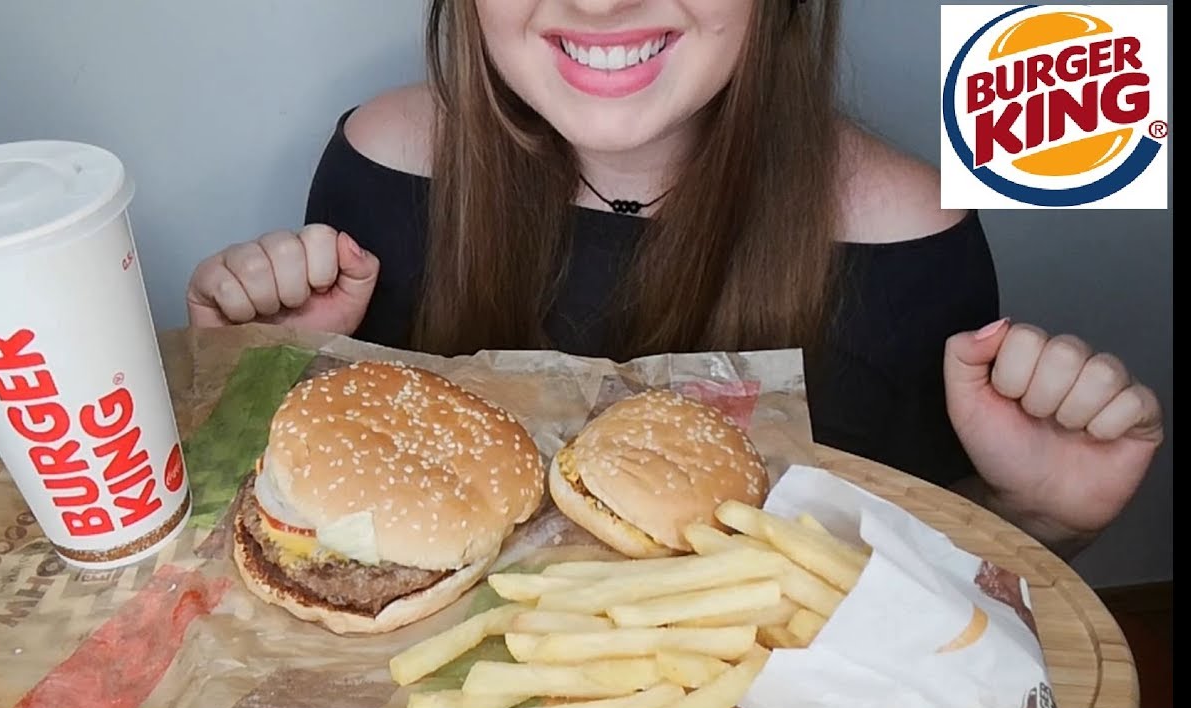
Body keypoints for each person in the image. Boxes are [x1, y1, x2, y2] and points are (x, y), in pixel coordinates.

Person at [185, 0, 1163, 559]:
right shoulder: (377, 158)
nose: (601, 4)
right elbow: (302, 511)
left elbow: (914, 591)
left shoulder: (908, 234)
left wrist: (1040, 515)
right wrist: (265, 368)